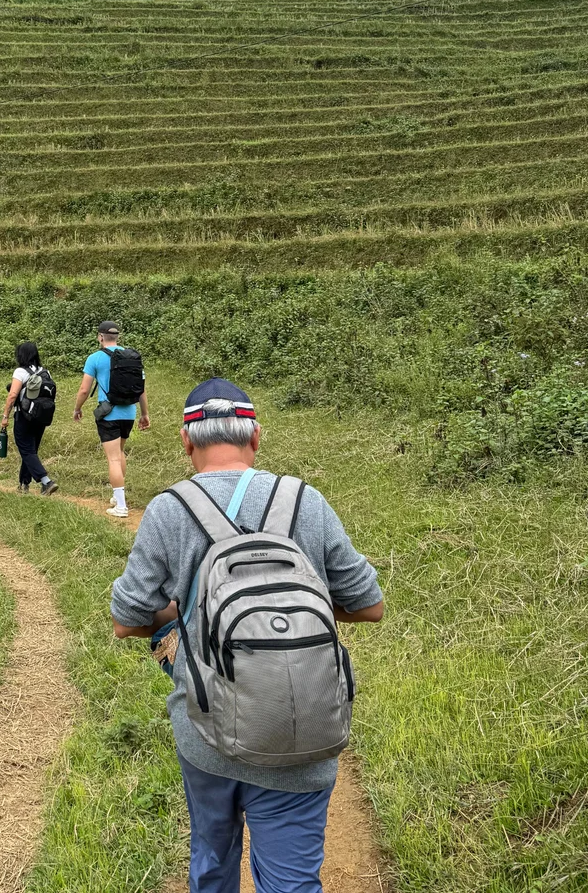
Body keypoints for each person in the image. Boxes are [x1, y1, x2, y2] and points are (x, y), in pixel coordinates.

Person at [110, 378, 385, 893]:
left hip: (207, 731)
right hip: (303, 732)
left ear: (187, 441)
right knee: (292, 881)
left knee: (213, 860)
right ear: (255, 437)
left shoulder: (171, 509)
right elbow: (369, 606)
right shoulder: (306, 500)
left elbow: (126, 619)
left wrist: (184, 613)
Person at [73, 320, 150, 517]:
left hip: (109, 414)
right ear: (118, 337)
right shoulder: (132, 357)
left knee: (113, 458)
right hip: (129, 413)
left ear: (100, 337)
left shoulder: (95, 358)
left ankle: (121, 506)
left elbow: (84, 389)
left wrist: (77, 408)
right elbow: (141, 389)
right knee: (120, 453)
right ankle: (118, 497)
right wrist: (144, 414)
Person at [0, 341, 58, 495]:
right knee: (31, 451)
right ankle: (24, 484)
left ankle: (46, 482)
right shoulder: (46, 372)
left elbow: (12, 395)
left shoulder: (20, 372)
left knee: (26, 449)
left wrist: (5, 416)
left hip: (24, 416)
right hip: (41, 417)